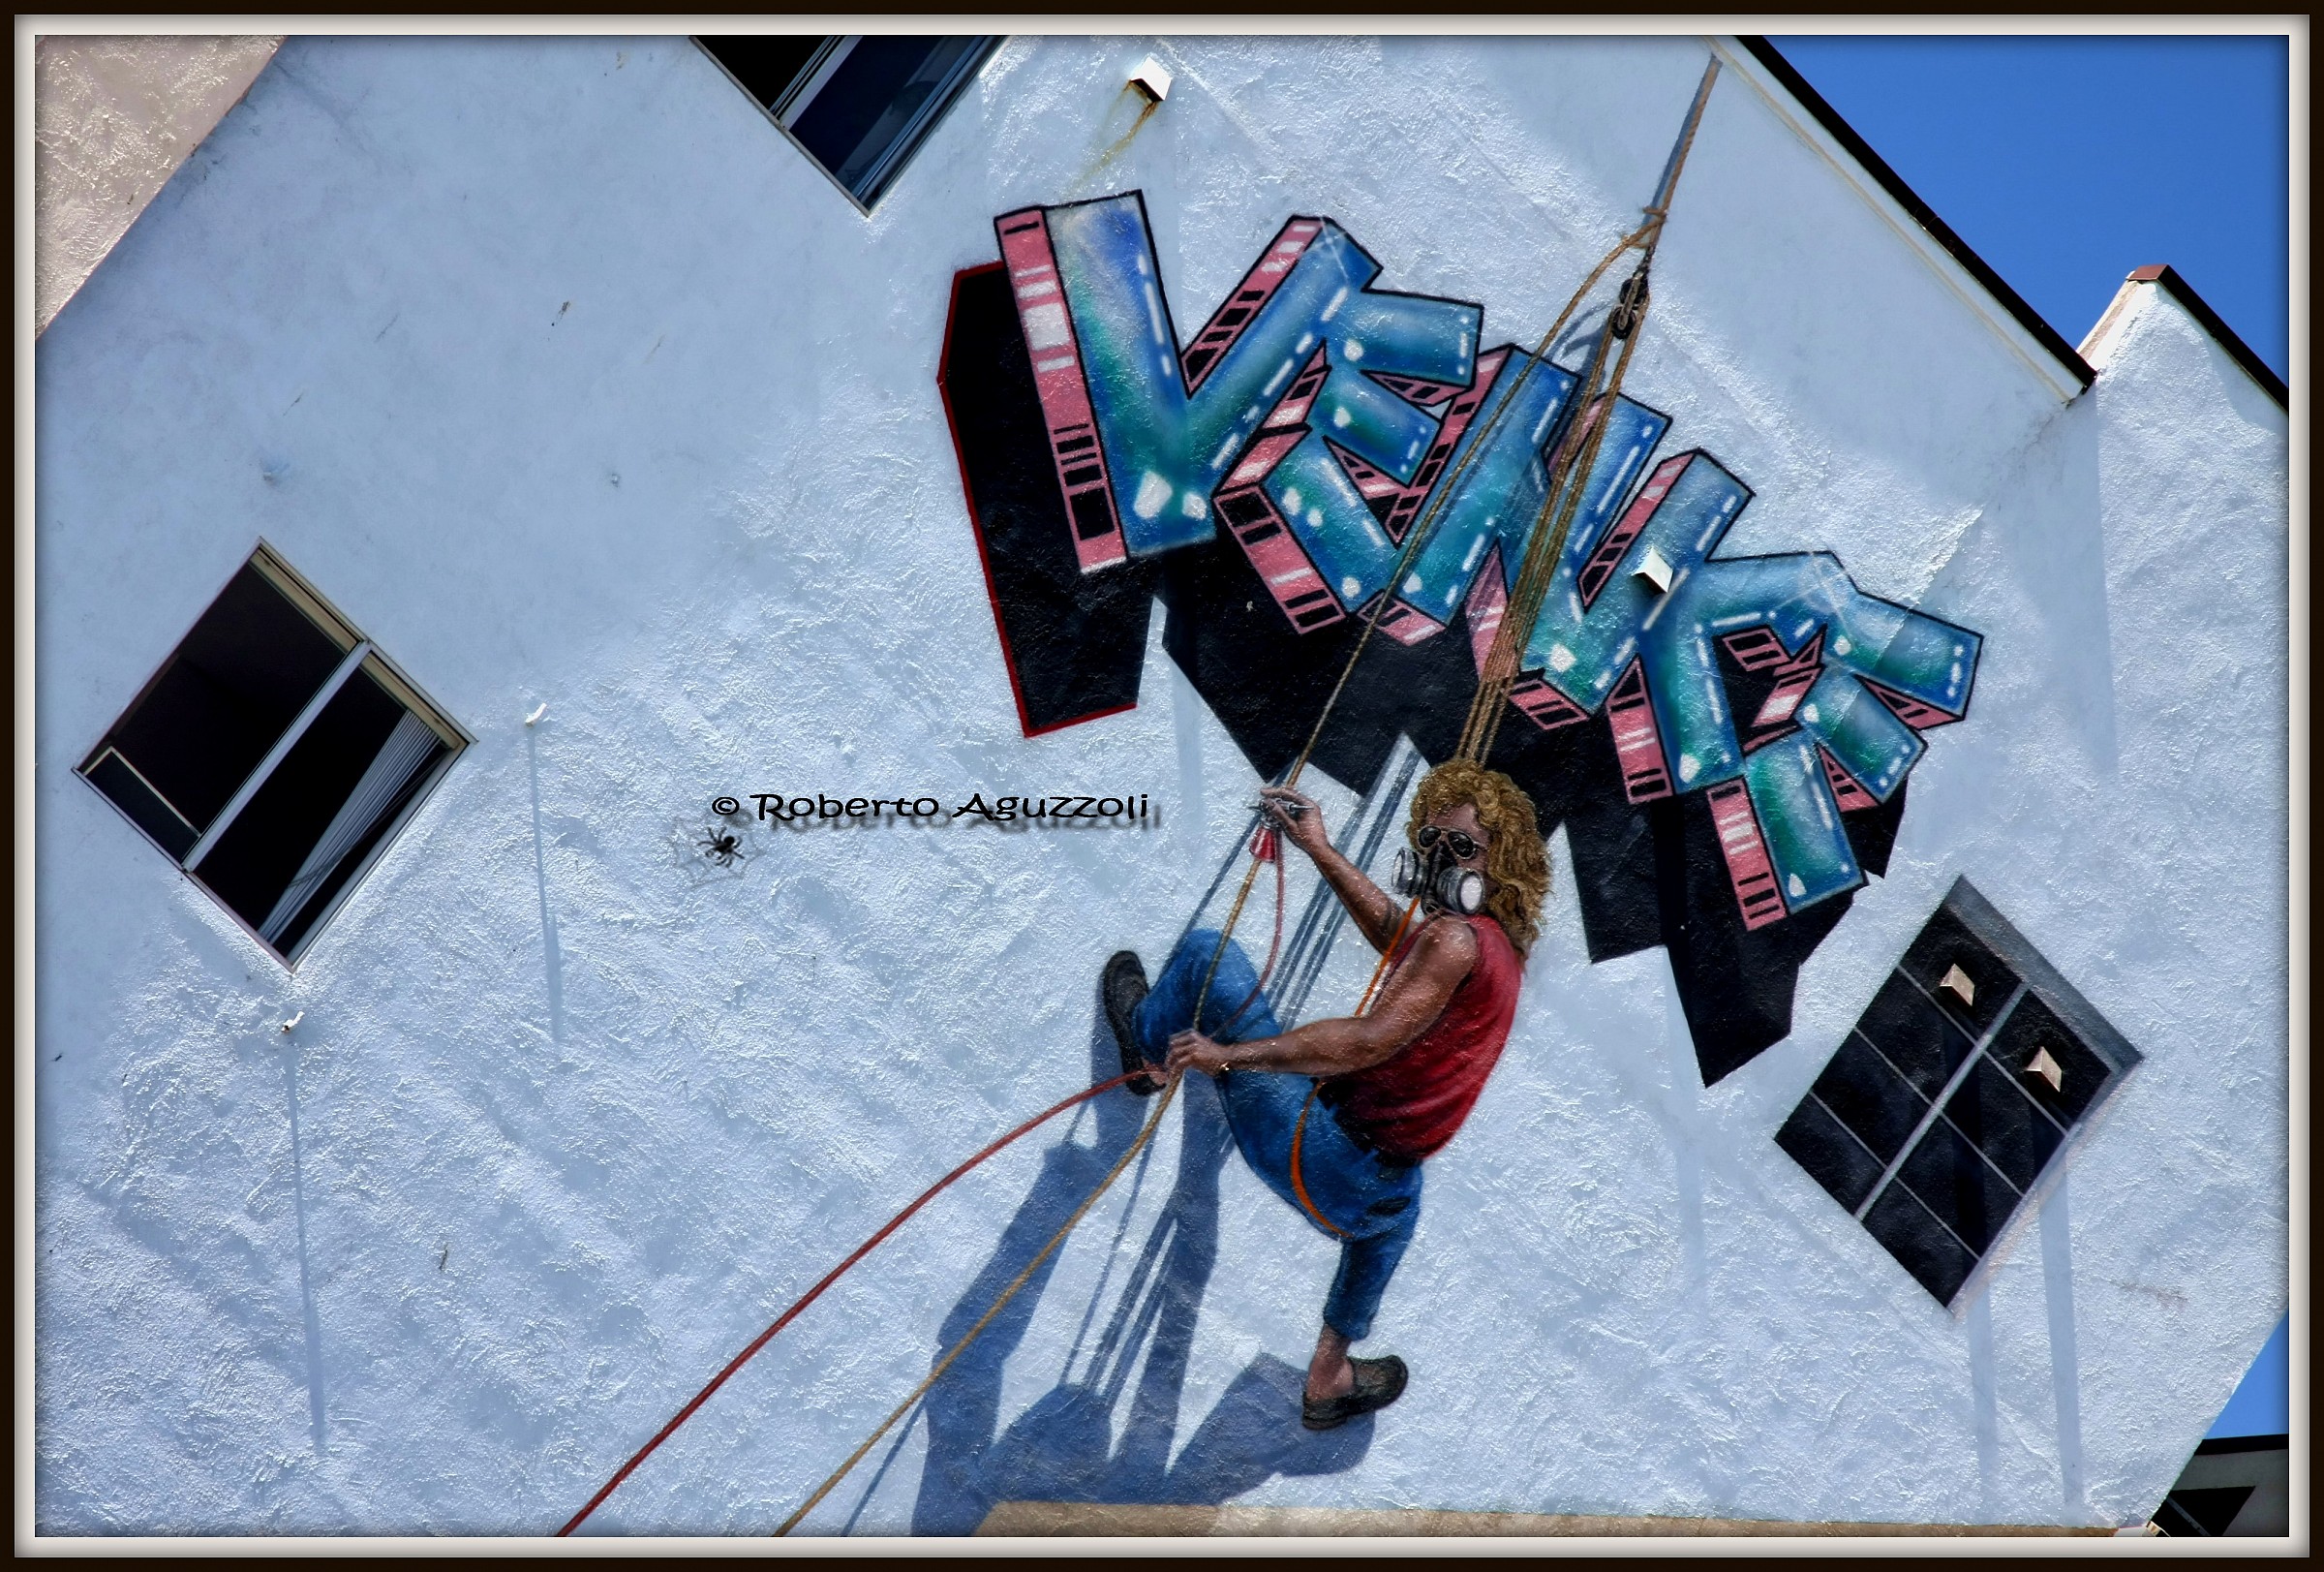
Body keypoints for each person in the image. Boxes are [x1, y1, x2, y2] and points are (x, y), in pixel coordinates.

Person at [1099, 758, 1548, 1431]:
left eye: (1460, 847)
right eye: (1429, 843)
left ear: (1499, 859)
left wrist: (1228, 1057)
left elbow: (1366, 1041)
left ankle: (1144, 1050)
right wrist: (1319, 848)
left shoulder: (1455, 938)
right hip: (1373, 1191)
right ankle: (1329, 1376)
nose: (1436, 859)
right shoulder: (1497, 951)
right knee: (1395, 1213)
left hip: (1314, 1151)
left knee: (1207, 958)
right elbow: (1402, 940)